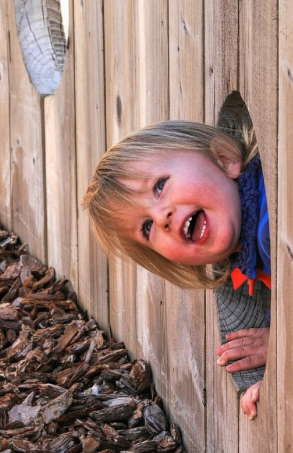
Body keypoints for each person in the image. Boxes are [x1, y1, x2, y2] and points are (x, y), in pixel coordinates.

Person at [82, 96, 271, 420]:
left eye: (159, 186)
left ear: (224, 159)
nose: (161, 217)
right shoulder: (250, 261)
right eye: (146, 228)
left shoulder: (270, 229)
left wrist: (285, 347)